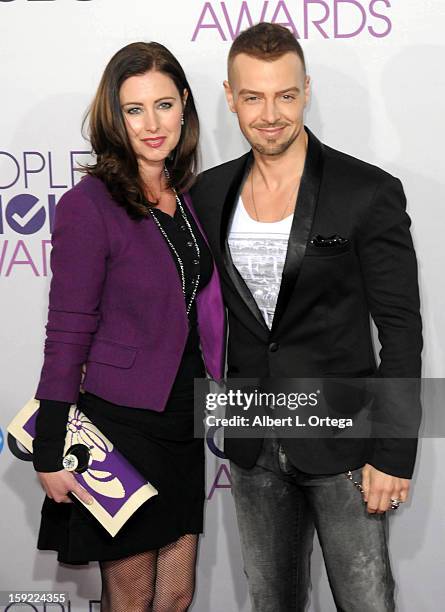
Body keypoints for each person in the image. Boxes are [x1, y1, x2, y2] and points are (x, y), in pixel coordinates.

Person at [190, 22, 422, 612]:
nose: (270, 114)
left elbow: (400, 332)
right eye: (253, 97)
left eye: (285, 95)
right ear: (230, 96)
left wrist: (392, 453)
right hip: (251, 442)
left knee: (366, 603)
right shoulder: (210, 193)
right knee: (271, 602)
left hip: (345, 444)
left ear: (306, 91)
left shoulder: (366, 191)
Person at [32, 41, 225, 612]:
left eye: (164, 105)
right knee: (133, 596)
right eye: (134, 109)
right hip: (121, 425)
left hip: (184, 419)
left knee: (177, 594)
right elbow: (67, 330)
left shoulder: (188, 198)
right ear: (114, 116)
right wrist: (49, 448)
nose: (151, 124)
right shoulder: (88, 205)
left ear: (185, 105)